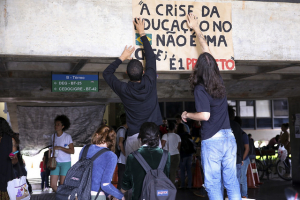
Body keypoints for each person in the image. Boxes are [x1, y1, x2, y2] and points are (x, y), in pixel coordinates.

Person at [180, 13, 241, 199]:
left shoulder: (200, 88)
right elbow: (206, 50)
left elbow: (205, 115)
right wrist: (196, 28)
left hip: (213, 140)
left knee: (213, 184)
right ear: (213, 66)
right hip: (229, 137)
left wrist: (188, 115)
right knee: (231, 181)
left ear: (197, 68)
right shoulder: (219, 80)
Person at [103, 17, 162, 157]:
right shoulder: (150, 81)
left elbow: (107, 73)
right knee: (155, 174)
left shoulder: (124, 90)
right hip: (153, 137)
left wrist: (122, 57)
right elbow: (151, 58)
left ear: (126, 74)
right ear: (143, 72)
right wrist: (142, 33)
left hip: (134, 137)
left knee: (135, 177)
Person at [121, 122, 170, 200]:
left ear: (140, 137)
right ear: (157, 137)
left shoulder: (132, 157)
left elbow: (126, 183)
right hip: (160, 197)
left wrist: (118, 193)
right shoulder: (166, 155)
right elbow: (166, 177)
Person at [79, 125, 124, 200]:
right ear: (112, 140)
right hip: (96, 195)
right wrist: (120, 196)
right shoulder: (111, 156)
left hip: (81, 194)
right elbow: (105, 185)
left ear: (97, 135)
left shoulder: (85, 149)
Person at [49, 115, 74, 192]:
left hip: (65, 162)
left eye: (58, 124)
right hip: (55, 162)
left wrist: (60, 147)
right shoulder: (53, 136)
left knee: (63, 184)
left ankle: (62, 197)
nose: (56, 126)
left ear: (63, 126)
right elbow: (50, 149)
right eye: (55, 124)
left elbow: (72, 151)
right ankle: (62, 195)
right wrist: (49, 158)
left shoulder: (67, 137)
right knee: (53, 185)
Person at [0, 117, 17, 200]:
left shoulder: (11, 140)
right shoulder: (11, 140)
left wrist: (13, 157)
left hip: (6, 174)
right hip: (6, 173)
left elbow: (15, 160)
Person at [228, 106, 244, 189]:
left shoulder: (221, 124)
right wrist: (241, 158)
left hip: (225, 160)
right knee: (236, 182)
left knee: (221, 183)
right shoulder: (237, 125)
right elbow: (240, 143)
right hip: (237, 158)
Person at [234, 116, 250, 198]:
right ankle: (240, 195)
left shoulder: (243, 135)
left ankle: (244, 195)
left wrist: (241, 159)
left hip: (244, 159)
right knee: (239, 178)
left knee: (242, 178)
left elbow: (247, 149)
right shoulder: (239, 134)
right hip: (240, 159)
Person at [177, 123, 193, 190]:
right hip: (190, 154)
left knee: (182, 171)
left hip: (182, 155)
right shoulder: (188, 134)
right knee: (189, 170)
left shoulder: (178, 136)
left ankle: (183, 185)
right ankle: (189, 185)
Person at [116, 113, 128, 190]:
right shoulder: (122, 130)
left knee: (122, 178)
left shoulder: (121, 129)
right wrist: (125, 153)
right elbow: (120, 143)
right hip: (122, 159)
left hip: (121, 158)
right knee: (121, 179)